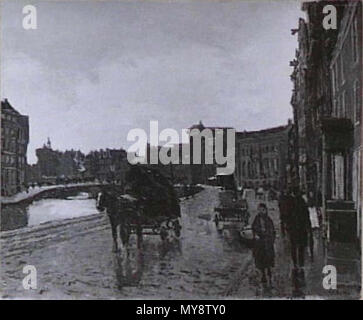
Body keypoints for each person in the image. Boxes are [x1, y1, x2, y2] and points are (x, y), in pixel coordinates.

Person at [286, 187, 312, 277]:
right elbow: (307, 216)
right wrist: (308, 227)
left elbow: (287, 215)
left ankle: (295, 264)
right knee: (301, 247)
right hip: (301, 228)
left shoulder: (290, 203)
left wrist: (287, 226)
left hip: (294, 228)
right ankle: (300, 264)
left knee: (294, 247)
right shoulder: (302, 203)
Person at [252, 203, 276, 287]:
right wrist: (256, 234)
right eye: (259, 210)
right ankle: (263, 275)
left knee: (268, 259)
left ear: (265, 210)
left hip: (267, 243)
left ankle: (269, 272)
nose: (261, 211)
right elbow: (254, 228)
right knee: (260, 260)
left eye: (263, 210)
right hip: (259, 244)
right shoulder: (257, 219)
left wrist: (269, 238)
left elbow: (272, 231)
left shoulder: (268, 220)